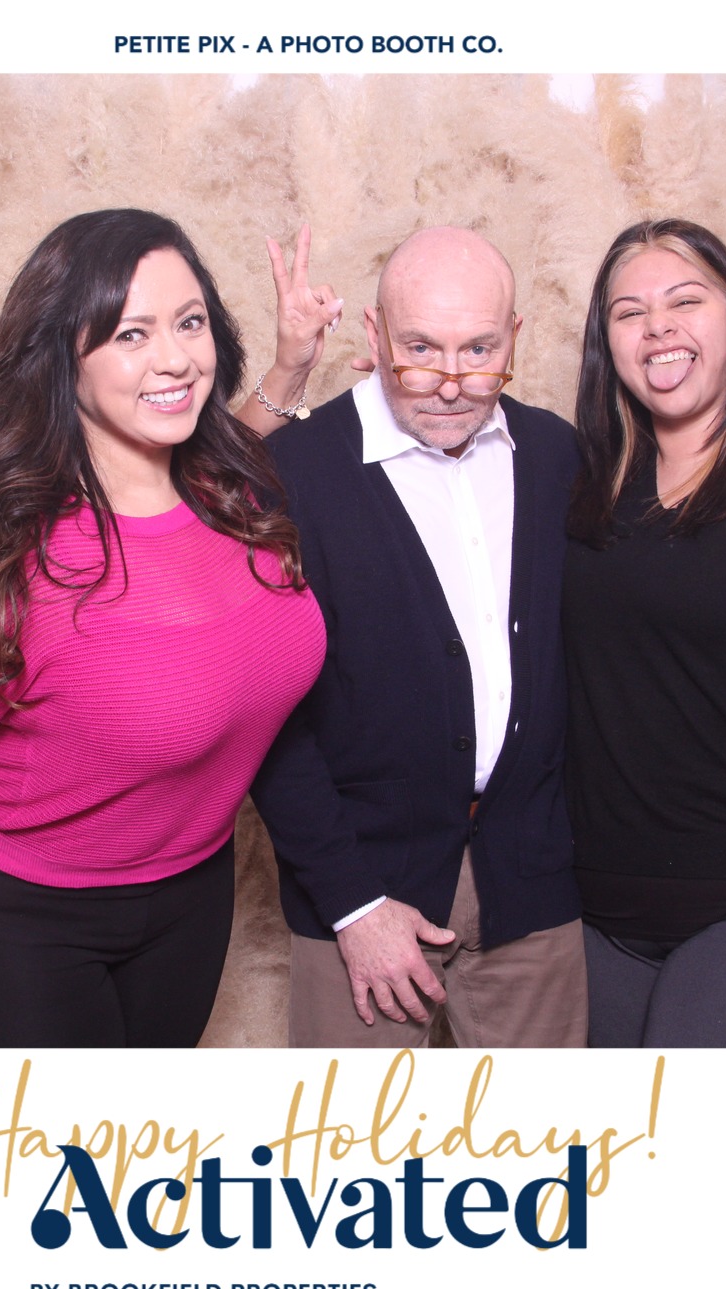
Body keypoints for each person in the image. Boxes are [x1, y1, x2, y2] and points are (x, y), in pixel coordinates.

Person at [0, 208, 340, 1049]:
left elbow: (211, 460)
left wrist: (289, 370)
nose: (175, 359)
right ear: (63, 359)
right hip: (19, 911)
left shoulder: (219, 482)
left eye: (189, 322)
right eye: (130, 334)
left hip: (189, 891)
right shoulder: (15, 546)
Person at [251, 226, 587, 1048]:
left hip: (532, 892)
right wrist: (351, 903)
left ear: (515, 337)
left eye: (479, 349)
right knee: (351, 1136)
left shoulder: (556, 455)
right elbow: (261, 716)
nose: (450, 382)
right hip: (362, 897)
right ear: (374, 335)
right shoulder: (291, 473)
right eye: (420, 349)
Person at [563, 218, 726, 1047]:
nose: (657, 326)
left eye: (685, 301)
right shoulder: (578, 483)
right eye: (630, 312)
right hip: (593, 916)